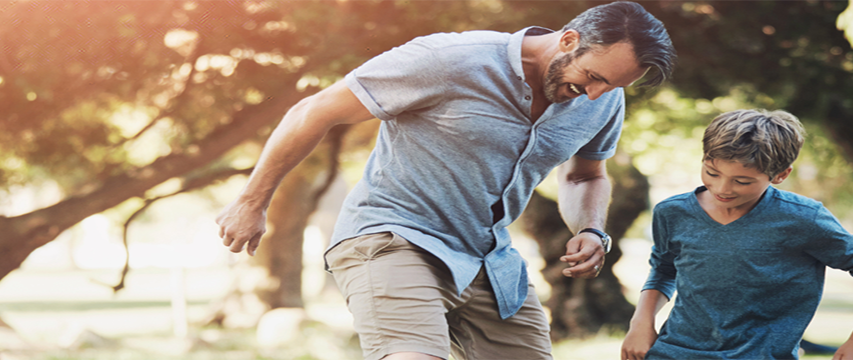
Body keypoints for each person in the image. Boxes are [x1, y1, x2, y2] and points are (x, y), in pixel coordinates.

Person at [215, 2, 676, 360]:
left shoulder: (602, 100)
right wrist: (252, 201)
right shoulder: (451, 59)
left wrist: (591, 228)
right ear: (569, 39)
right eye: (592, 77)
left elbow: (585, 173)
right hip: (393, 235)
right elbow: (315, 111)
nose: (594, 94)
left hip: (488, 257)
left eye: (611, 87)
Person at [619, 109, 853, 360]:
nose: (722, 189)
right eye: (711, 172)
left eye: (742, 181)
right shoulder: (672, 212)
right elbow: (664, 270)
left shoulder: (802, 218)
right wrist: (641, 324)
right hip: (673, 352)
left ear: (780, 175)